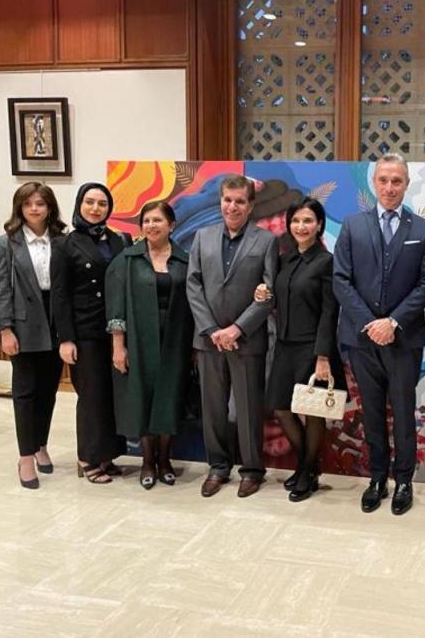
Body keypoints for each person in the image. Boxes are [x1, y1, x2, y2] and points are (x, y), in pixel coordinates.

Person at [333, 153, 425, 515]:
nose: (390, 187)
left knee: (404, 413)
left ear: (406, 184)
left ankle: (404, 480)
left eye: (397, 181)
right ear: (374, 183)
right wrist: (371, 323)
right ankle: (377, 478)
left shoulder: (423, 229)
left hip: (404, 339)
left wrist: (392, 322)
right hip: (362, 339)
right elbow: (341, 280)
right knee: (372, 412)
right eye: (383, 180)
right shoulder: (353, 226)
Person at [187, 175, 277, 498]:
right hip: (209, 340)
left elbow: (269, 293)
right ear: (220, 201)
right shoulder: (202, 237)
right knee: (212, 407)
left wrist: (238, 328)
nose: (233, 206)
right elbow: (193, 285)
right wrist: (212, 330)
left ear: (250, 206)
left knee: (249, 408)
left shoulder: (266, 241)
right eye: (228, 200)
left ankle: (251, 470)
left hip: (247, 339)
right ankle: (218, 467)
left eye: (240, 201)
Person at [254, 197, 346, 502]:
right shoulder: (286, 258)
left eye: (308, 220)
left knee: (313, 412)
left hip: (312, 349)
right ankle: (309, 466)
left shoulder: (326, 261)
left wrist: (323, 357)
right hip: (284, 346)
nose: (301, 226)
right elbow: (280, 299)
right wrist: (264, 294)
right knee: (282, 409)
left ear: (319, 225)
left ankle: (306, 472)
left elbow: (329, 312)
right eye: (295, 220)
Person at [106, 201, 194, 490]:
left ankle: (165, 459)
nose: (151, 225)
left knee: (169, 397)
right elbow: (116, 305)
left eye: (158, 220)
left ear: (171, 225)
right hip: (139, 342)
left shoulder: (185, 260)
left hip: (175, 341)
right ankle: (147, 460)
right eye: (146, 220)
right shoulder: (127, 260)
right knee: (143, 397)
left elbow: (195, 303)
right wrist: (118, 346)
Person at [0, 181, 67, 490]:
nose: (34, 208)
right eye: (28, 204)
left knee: (48, 390)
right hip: (22, 324)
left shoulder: (62, 241)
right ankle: (25, 457)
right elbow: (1, 291)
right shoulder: (2, 245)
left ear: (50, 208)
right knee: (25, 392)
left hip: (55, 320)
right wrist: (5, 329)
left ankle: (40, 445)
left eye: (40, 203)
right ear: (19, 208)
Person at [51, 182, 130, 484]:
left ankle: (107, 455)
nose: (96, 208)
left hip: (116, 329)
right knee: (91, 396)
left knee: (112, 395)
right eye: (90, 202)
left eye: (102, 203)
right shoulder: (65, 244)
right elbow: (60, 295)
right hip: (85, 331)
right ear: (79, 205)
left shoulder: (119, 240)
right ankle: (87, 458)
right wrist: (66, 338)